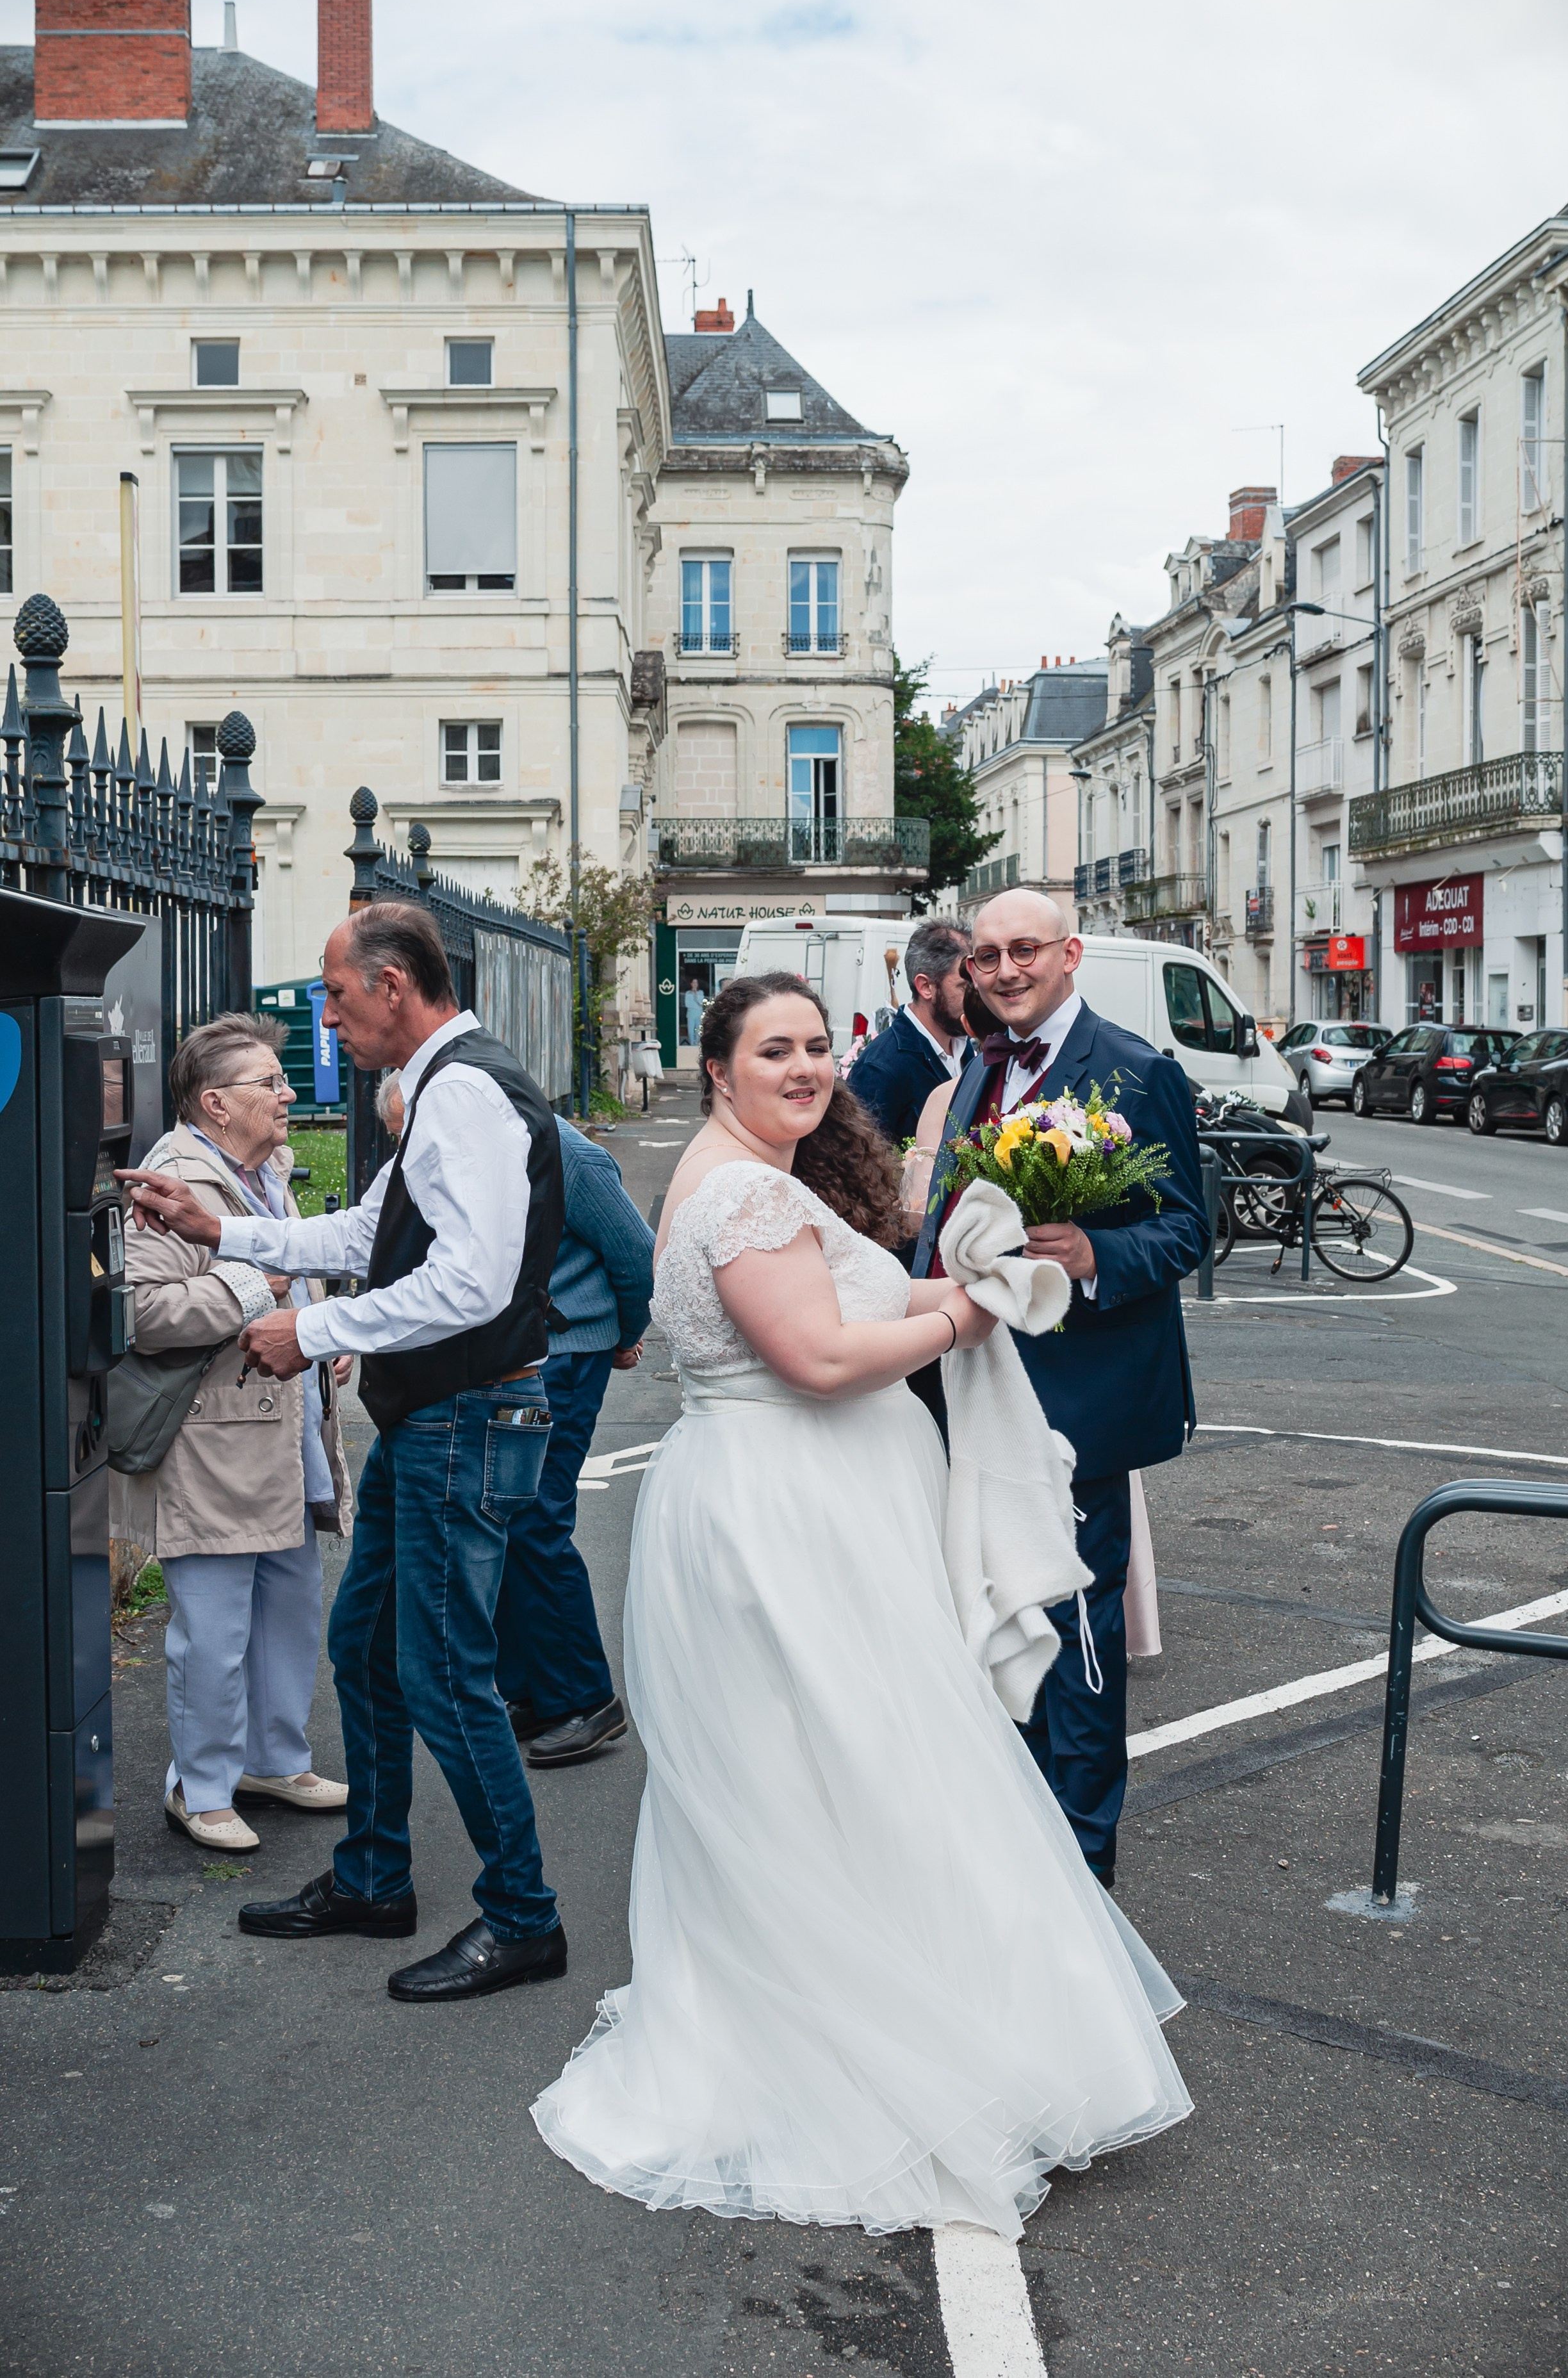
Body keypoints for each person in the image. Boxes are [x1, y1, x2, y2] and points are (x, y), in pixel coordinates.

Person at [532, 970, 1189, 2238]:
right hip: (788, 1517)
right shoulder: (733, 1192)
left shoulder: (751, 1177)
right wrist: (960, 1309)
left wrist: (947, 1293)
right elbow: (822, 1359)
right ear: (715, 1067)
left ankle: (865, 2005)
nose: (805, 1066)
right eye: (773, 1048)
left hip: (797, 1502)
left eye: (819, 1045)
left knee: (826, 1769)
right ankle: (869, 2046)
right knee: (847, 1765)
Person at [120, 903, 568, 2005]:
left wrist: (310, 1329)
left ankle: (523, 1916)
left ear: (394, 986)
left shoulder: (460, 1092)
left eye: (333, 991)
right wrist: (218, 1230)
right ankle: (374, 1877)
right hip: (436, 1420)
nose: (324, 1016)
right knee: (366, 1652)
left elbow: (470, 1280)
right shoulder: (439, 1089)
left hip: (467, 1418)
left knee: (445, 1677)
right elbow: (368, 1236)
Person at [911, 888, 1208, 1887]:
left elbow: (1186, 1230)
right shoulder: (975, 1069)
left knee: (1079, 1645)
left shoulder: (1134, 1068)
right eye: (985, 955)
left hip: (1082, 1402)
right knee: (1001, 1632)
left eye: (1022, 950)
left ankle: (1083, 1882)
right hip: (976, 1394)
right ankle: (1018, 1863)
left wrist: (1090, 1250)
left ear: (1069, 953)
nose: (1001, 970)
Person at [114, 1015, 353, 1852]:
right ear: (215, 1102)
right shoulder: (168, 1179)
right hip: (213, 1439)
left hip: (287, 1429)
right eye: (269, 1081)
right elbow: (145, 1316)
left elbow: (298, 1273)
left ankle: (274, 1757)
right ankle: (201, 1783)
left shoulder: (265, 1169)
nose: (288, 1093)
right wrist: (258, 1286)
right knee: (213, 1628)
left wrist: (326, 1328)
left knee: (291, 1604)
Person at [497, 1115, 655, 1767]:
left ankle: (586, 1701)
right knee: (508, 1517)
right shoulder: (473, 1128)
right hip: (519, 1352)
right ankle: (537, 1689)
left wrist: (624, 1332)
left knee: (536, 1519)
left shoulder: (565, 1149)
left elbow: (635, 1253)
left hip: (564, 1352)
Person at [847, 915, 972, 1146]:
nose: (978, 997)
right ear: (926, 987)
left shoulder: (965, 1048)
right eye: (965, 987)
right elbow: (860, 1164)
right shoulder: (881, 1068)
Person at [682, 980, 706, 1048]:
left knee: (698, 1030)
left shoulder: (701, 992)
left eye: (696, 983)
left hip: (698, 1013)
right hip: (691, 1013)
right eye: (693, 983)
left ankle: (697, 1045)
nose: (695, 984)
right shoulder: (688, 993)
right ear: (691, 984)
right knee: (690, 1031)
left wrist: (696, 995)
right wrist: (696, 1004)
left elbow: (701, 1002)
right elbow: (687, 1004)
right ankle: (692, 1044)